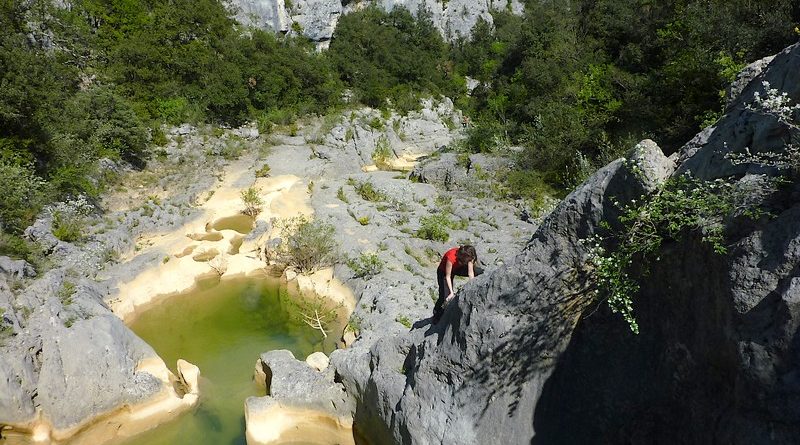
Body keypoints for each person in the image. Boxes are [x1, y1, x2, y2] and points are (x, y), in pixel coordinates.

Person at [432, 245, 483, 323]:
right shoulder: (451, 257)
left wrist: (472, 285)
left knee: (479, 272)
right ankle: (437, 312)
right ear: (463, 256)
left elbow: (470, 273)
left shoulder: (469, 255)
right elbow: (448, 276)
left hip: (458, 268)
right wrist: (451, 292)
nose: (470, 260)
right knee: (445, 296)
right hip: (444, 272)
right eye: (468, 259)